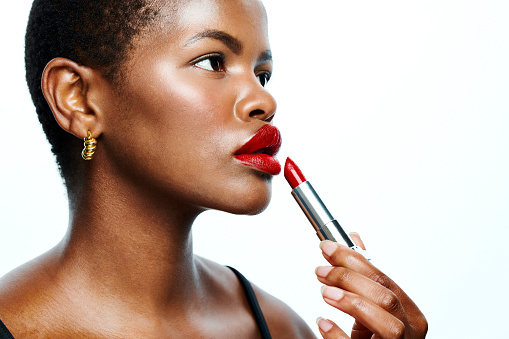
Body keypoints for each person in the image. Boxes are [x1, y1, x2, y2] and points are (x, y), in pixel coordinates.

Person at [0, 0, 428, 337]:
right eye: (213, 62)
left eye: (263, 74)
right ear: (79, 99)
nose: (265, 102)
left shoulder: (282, 330)